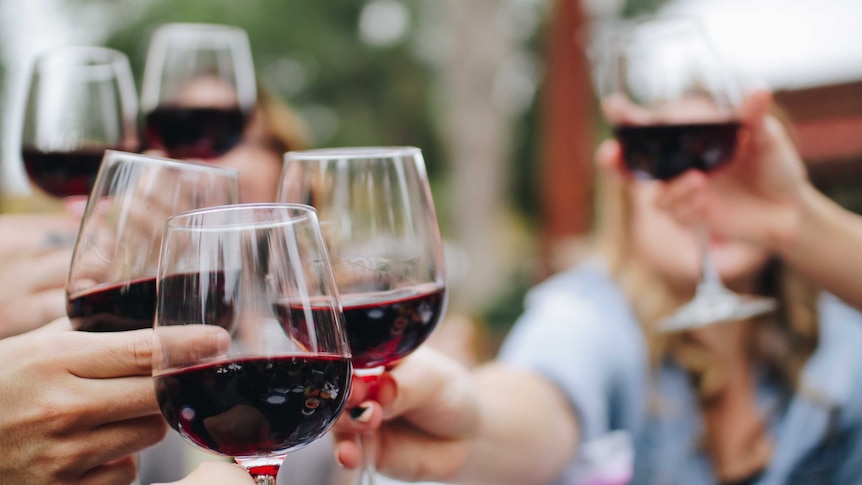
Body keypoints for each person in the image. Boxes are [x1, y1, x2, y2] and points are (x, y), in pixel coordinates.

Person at [330, 88, 862, 484]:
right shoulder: (590, 312)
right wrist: (474, 420)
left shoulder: (841, 325)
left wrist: (795, 221)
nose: (701, 189)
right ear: (626, 204)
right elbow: (542, 397)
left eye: (723, 163)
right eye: (670, 171)